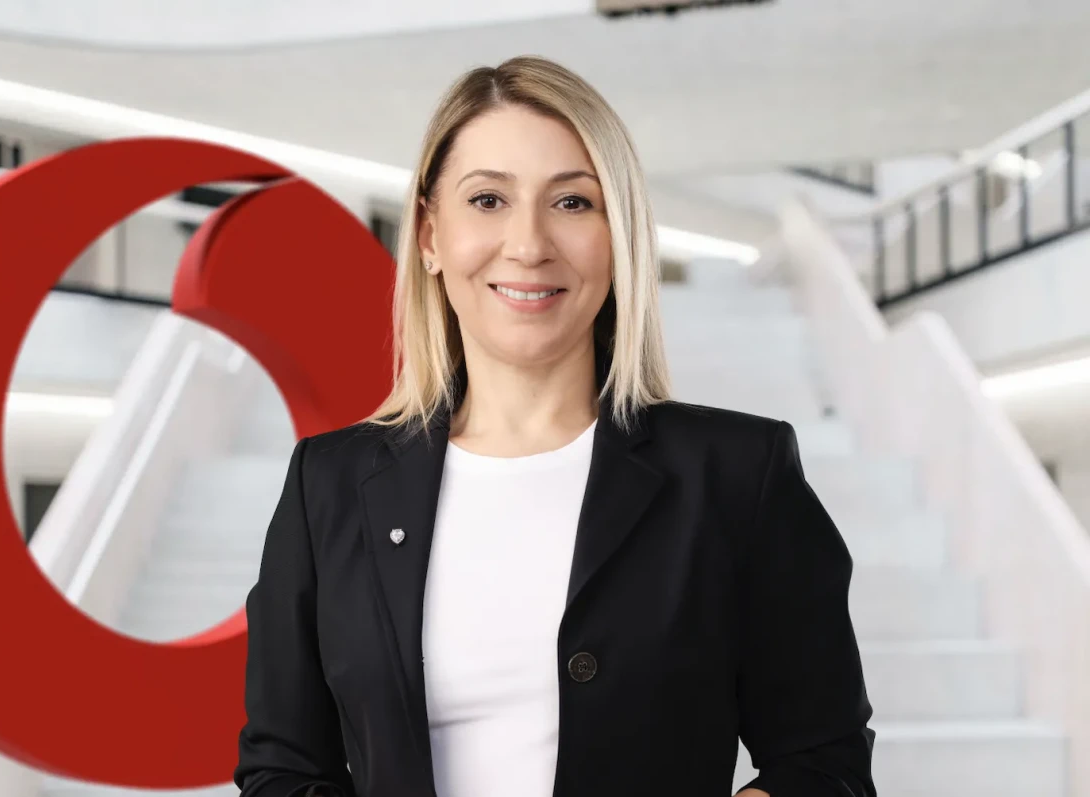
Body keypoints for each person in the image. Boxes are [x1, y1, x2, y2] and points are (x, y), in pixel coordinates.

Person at [234, 55, 876, 797]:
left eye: (572, 202)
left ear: (619, 235)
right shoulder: (328, 485)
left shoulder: (738, 474)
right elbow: (282, 770)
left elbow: (825, 764)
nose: (529, 244)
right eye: (487, 200)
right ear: (431, 235)